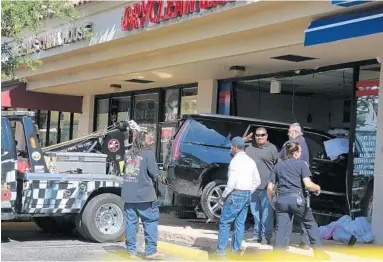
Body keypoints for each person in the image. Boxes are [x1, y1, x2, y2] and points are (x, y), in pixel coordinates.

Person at [267, 142, 327, 258]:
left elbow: (269, 188)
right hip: (298, 201)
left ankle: (277, 257)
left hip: (282, 200)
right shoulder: (301, 164)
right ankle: (319, 254)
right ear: (295, 153)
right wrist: (318, 187)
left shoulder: (278, 166)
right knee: (310, 224)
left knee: (281, 229)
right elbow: (308, 185)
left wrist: (272, 201)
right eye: (299, 151)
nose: (301, 153)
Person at [121, 131, 167, 260]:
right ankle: (151, 251)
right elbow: (154, 173)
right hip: (145, 196)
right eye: (149, 140)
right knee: (150, 222)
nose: (152, 142)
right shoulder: (148, 155)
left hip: (129, 195)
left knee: (131, 223)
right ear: (142, 141)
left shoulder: (128, 154)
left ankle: (131, 251)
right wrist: (165, 178)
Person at [216, 137, 261, 258]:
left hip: (235, 194)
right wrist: (248, 191)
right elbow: (257, 181)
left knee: (225, 223)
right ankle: (235, 251)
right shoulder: (251, 161)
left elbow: (231, 183)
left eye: (231, 146)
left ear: (235, 147)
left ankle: (221, 253)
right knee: (240, 224)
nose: (231, 148)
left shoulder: (235, 161)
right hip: (246, 194)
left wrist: (223, 196)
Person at [279, 123, 310, 249]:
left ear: (294, 132)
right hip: (303, 181)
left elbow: (279, 157)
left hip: (291, 182)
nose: (287, 133)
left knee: (287, 213)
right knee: (304, 211)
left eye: (289, 131)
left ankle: (284, 243)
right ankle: (305, 242)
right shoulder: (305, 143)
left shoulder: (290, 144)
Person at [245, 127, 278, 245]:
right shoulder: (249, 148)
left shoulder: (272, 149)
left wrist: (274, 183)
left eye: (262, 135)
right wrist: (244, 140)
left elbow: (278, 166)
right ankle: (256, 235)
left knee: (267, 214)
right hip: (253, 186)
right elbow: (233, 150)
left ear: (267, 136)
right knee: (255, 212)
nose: (260, 137)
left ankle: (266, 237)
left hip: (267, 187)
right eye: (257, 135)